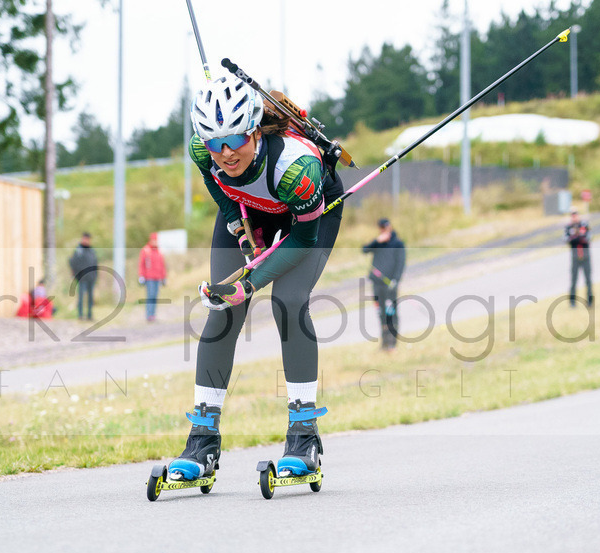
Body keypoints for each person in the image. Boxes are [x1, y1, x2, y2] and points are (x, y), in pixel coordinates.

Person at [166, 74, 345, 484]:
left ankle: (304, 437)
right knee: (222, 312)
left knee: (289, 301)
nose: (226, 152)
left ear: (255, 131)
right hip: (250, 207)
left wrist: (248, 283)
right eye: (216, 143)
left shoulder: (296, 167)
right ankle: (202, 441)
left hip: (306, 213)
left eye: (236, 140)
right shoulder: (204, 149)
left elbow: (302, 240)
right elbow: (214, 180)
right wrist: (237, 225)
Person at [362, 218, 406, 350]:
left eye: (385, 227)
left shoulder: (398, 243)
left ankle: (392, 343)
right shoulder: (378, 243)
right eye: (381, 227)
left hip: (390, 285)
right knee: (380, 313)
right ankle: (384, 343)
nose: (384, 230)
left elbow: (400, 264)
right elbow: (364, 250)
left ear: (390, 227)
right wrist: (376, 241)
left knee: (390, 313)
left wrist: (395, 280)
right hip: (377, 284)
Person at [565, 209, 593, 307]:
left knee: (588, 279)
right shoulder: (569, 227)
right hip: (575, 256)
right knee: (574, 279)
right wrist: (577, 238)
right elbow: (567, 239)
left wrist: (577, 237)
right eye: (573, 216)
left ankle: (590, 300)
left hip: (585, 255)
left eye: (576, 215)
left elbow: (588, 238)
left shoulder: (584, 225)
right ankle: (572, 301)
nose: (574, 217)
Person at [138, 232, 167, 322]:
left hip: (157, 278)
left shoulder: (159, 252)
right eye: (153, 240)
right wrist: (141, 276)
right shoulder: (146, 250)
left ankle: (153, 315)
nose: (155, 242)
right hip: (149, 278)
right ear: (150, 240)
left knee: (155, 296)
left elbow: (162, 265)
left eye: (156, 240)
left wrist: (163, 277)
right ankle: (149, 315)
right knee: (150, 296)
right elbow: (141, 264)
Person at [68, 232, 98, 320]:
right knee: (81, 297)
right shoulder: (78, 250)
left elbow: (95, 263)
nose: (86, 241)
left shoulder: (92, 251)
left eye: (88, 239)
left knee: (90, 298)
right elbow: (72, 262)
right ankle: (80, 315)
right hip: (82, 278)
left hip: (91, 278)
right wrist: (77, 274)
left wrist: (95, 275)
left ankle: (89, 315)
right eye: (85, 239)